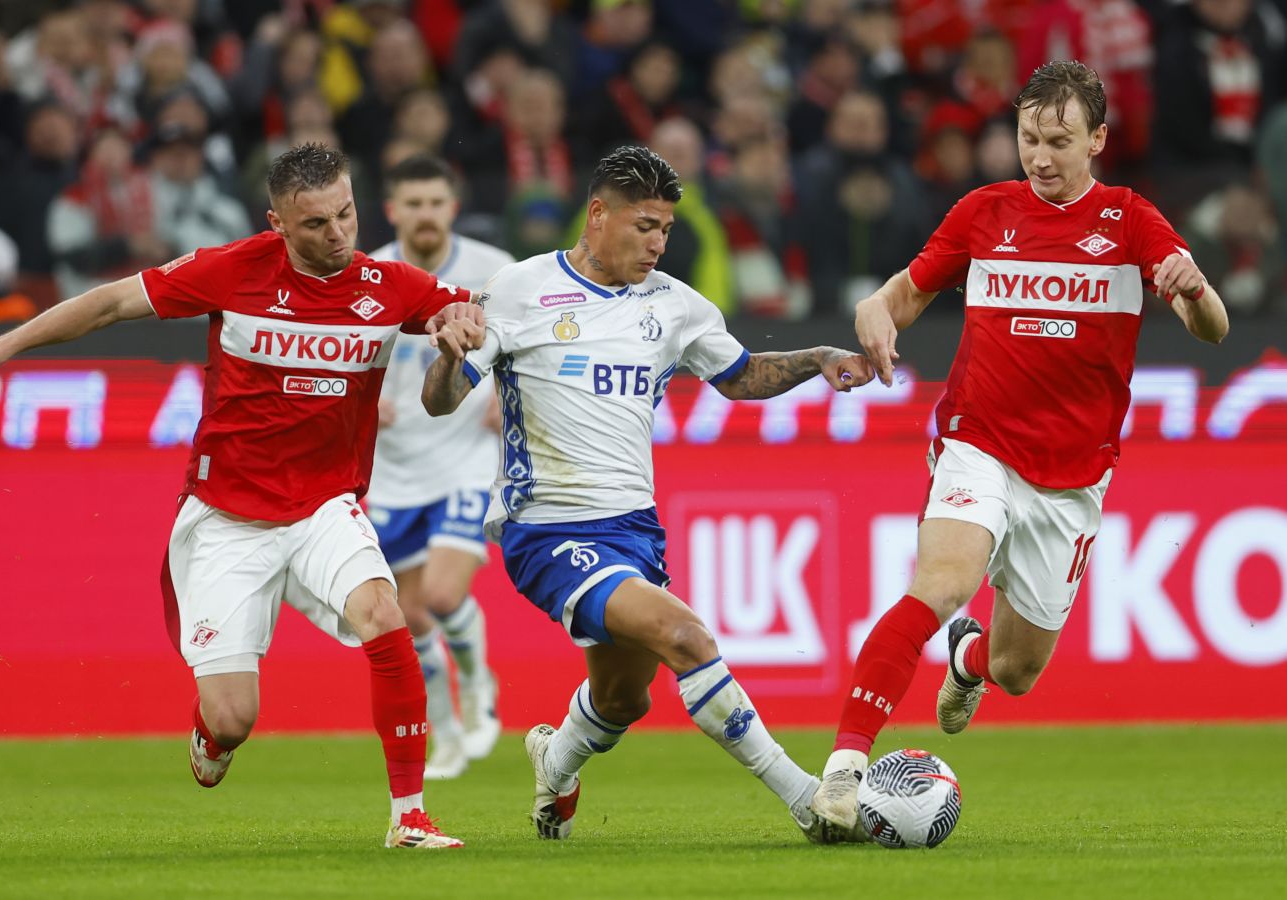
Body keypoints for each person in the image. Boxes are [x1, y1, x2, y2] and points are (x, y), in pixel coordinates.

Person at [0, 143, 482, 850]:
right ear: (277, 223)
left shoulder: (392, 285)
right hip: (228, 515)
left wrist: (457, 339)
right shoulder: (232, 269)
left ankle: (409, 816)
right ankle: (213, 736)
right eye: (316, 223)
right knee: (234, 717)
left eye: (346, 214)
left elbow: (451, 369)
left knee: (385, 614)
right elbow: (110, 303)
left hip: (325, 505)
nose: (337, 234)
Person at [809, 60, 1230, 842]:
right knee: (941, 584)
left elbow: (1213, 329)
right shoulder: (985, 211)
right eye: (1028, 138)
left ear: (1097, 140)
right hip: (979, 442)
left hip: (1071, 479)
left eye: (1058, 142)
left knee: (1016, 670)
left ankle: (966, 662)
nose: (1039, 156)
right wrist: (876, 311)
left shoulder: (1132, 222)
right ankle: (842, 769)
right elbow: (905, 292)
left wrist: (1197, 288)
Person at [420, 146, 876, 843]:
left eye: (665, 228)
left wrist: (817, 358)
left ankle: (555, 761)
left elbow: (741, 376)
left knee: (621, 700)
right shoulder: (518, 289)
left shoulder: (676, 305)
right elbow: (441, 401)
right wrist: (450, 359)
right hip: (547, 530)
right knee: (685, 636)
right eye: (644, 226)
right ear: (598, 214)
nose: (658, 243)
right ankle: (807, 799)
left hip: (633, 530)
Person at [367, 154, 514, 779]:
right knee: (412, 617)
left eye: (435, 202)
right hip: (393, 469)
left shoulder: (494, 272)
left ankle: (479, 683)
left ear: (452, 208)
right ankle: (447, 734)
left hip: (467, 457)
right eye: (413, 204)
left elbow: (526, 343)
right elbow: (342, 357)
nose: (425, 214)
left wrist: (508, 397)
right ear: (393, 211)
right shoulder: (368, 275)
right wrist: (362, 403)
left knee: (444, 594)